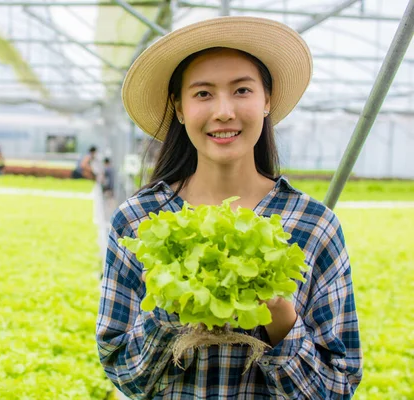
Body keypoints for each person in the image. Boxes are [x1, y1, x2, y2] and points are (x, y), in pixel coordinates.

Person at [96, 17, 362, 399]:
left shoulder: (314, 225)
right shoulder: (138, 221)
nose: (223, 111)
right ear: (180, 107)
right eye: (203, 94)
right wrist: (173, 311)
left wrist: (282, 323)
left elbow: (339, 387)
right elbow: (122, 371)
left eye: (241, 90)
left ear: (267, 100)